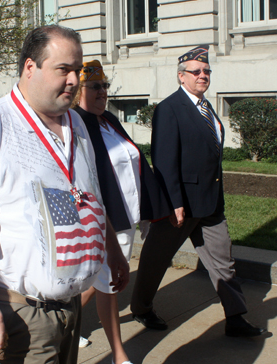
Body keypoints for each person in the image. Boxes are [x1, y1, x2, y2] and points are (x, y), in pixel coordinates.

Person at [0, 25, 129, 364]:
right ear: (30, 67)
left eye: (77, 70)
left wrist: (112, 250)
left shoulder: (76, 124)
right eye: (63, 69)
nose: (73, 80)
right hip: (20, 316)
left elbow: (89, 196)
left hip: (70, 312)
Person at [130, 45, 266, 338]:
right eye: (196, 71)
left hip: (211, 204)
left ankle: (236, 318)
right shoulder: (169, 108)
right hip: (182, 205)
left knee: (223, 261)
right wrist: (174, 202)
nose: (203, 75)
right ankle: (141, 307)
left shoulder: (206, 107)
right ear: (182, 76)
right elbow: (164, 160)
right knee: (156, 259)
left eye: (206, 71)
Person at [73, 60, 171, 364]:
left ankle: (65, 321)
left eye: (105, 86)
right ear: (78, 91)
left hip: (126, 214)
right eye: (94, 87)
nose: (103, 92)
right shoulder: (76, 124)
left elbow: (133, 161)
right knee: (109, 284)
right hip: (103, 220)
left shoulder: (110, 121)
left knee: (97, 282)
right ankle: (118, 354)